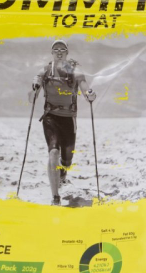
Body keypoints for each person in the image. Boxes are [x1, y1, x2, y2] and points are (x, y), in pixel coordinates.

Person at [30, 40, 96, 206]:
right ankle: (55, 197)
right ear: (52, 53)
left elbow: (83, 85)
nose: (59, 52)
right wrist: (34, 88)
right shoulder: (45, 70)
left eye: (62, 49)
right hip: (50, 117)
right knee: (53, 152)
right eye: (56, 49)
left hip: (68, 118)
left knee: (67, 160)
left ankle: (63, 173)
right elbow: (32, 96)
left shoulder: (74, 70)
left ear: (67, 53)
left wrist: (89, 93)